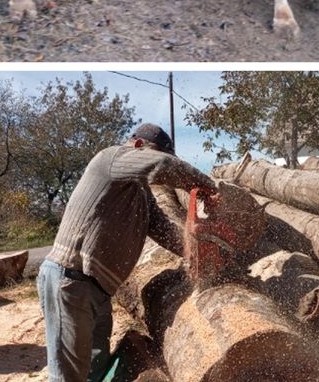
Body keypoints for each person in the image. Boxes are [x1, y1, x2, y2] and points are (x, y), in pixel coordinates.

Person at [37, 123, 217, 382]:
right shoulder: (110, 158)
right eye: (155, 155)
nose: (156, 161)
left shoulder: (139, 190)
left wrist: (197, 251)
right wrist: (210, 189)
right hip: (71, 280)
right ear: (138, 145)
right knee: (68, 376)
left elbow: (161, 228)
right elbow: (163, 167)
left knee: (94, 368)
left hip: (97, 289)